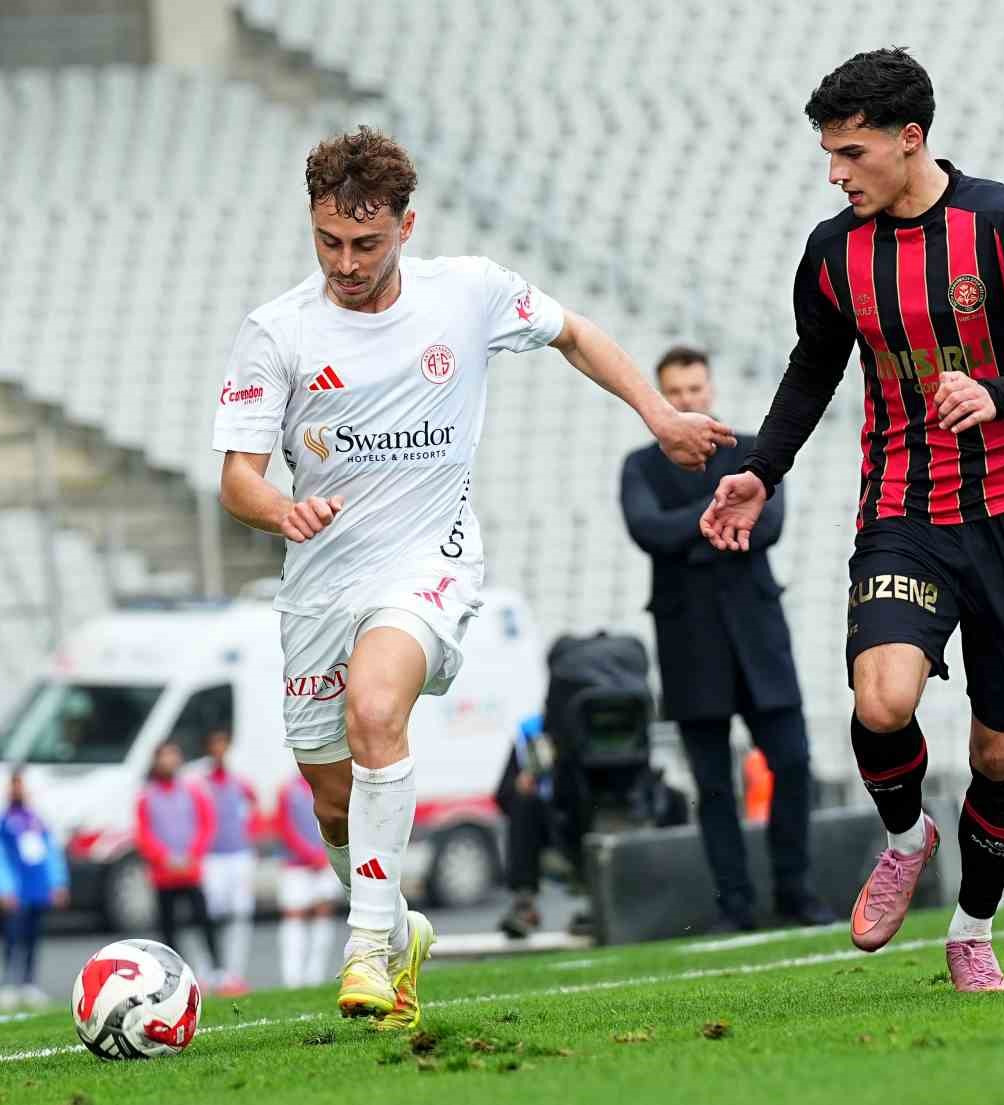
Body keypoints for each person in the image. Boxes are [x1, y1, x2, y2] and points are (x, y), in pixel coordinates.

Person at [211, 127, 731, 1027]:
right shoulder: (278, 333)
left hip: (427, 564)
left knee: (377, 709)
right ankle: (395, 923)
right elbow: (237, 478)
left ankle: (368, 949)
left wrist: (657, 413)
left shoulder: (470, 294)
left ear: (408, 225)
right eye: (328, 240)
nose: (345, 261)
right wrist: (278, 510)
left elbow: (577, 334)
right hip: (320, 582)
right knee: (333, 799)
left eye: (365, 243)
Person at [699, 48, 1004, 990]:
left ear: (911, 139)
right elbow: (813, 368)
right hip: (902, 505)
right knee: (882, 698)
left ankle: (971, 929)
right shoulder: (832, 250)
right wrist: (759, 470)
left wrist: (1003, 393)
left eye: (851, 151)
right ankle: (905, 837)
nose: (836, 171)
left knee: (1002, 749)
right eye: (828, 153)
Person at [621, 345, 834, 932]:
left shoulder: (751, 451)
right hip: (690, 646)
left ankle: (796, 892)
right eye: (676, 392)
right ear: (661, 398)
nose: (688, 400)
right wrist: (718, 516)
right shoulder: (640, 466)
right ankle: (734, 906)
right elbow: (646, 531)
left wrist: (689, 527)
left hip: (758, 638)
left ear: (710, 388)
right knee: (714, 786)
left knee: (793, 765)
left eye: (696, 389)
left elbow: (768, 522)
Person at [0, 768, 68, 1011]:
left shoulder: (37, 820)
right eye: (14, 784)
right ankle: (8, 984)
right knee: (11, 936)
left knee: (33, 937)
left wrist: (58, 883)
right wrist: (4, 888)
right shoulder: (0, 822)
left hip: (36, 888)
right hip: (15, 891)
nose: (18, 789)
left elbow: (51, 853)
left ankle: (29, 983)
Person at [136, 740, 222, 980]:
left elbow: (207, 824)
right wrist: (164, 858)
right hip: (164, 875)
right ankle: (175, 974)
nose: (169, 761)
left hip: (191, 872)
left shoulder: (192, 792)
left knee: (204, 921)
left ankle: (216, 970)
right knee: (168, 928)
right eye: (165, 756)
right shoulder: (146, 796)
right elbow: (143, 833)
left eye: (173, 755)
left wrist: (193, 855)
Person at [199, 728, 258, 996]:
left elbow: (254, 809)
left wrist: (249, 837)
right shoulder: (202, 784)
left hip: (239, 854)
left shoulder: (239, 782)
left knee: (240, 913)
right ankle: (211, 970)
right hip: (213, 856)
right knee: (212, 913)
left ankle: (235, 973)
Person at [277, 773, 343, 987]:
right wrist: (308, 854)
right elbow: (285, 827)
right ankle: (292, 977)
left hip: (325, 862)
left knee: (323, 912)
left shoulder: (331, 785)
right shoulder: (289, 790)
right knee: (294, 915)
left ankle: (315, 974)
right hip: (296, 866)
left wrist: (327, 852)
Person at [496, 712, 558, 938]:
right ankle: (524, 904)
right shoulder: (532, 736)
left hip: (585, 817)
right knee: (523, 802)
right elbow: (503, 795)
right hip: (549, 833)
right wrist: (522, 784)